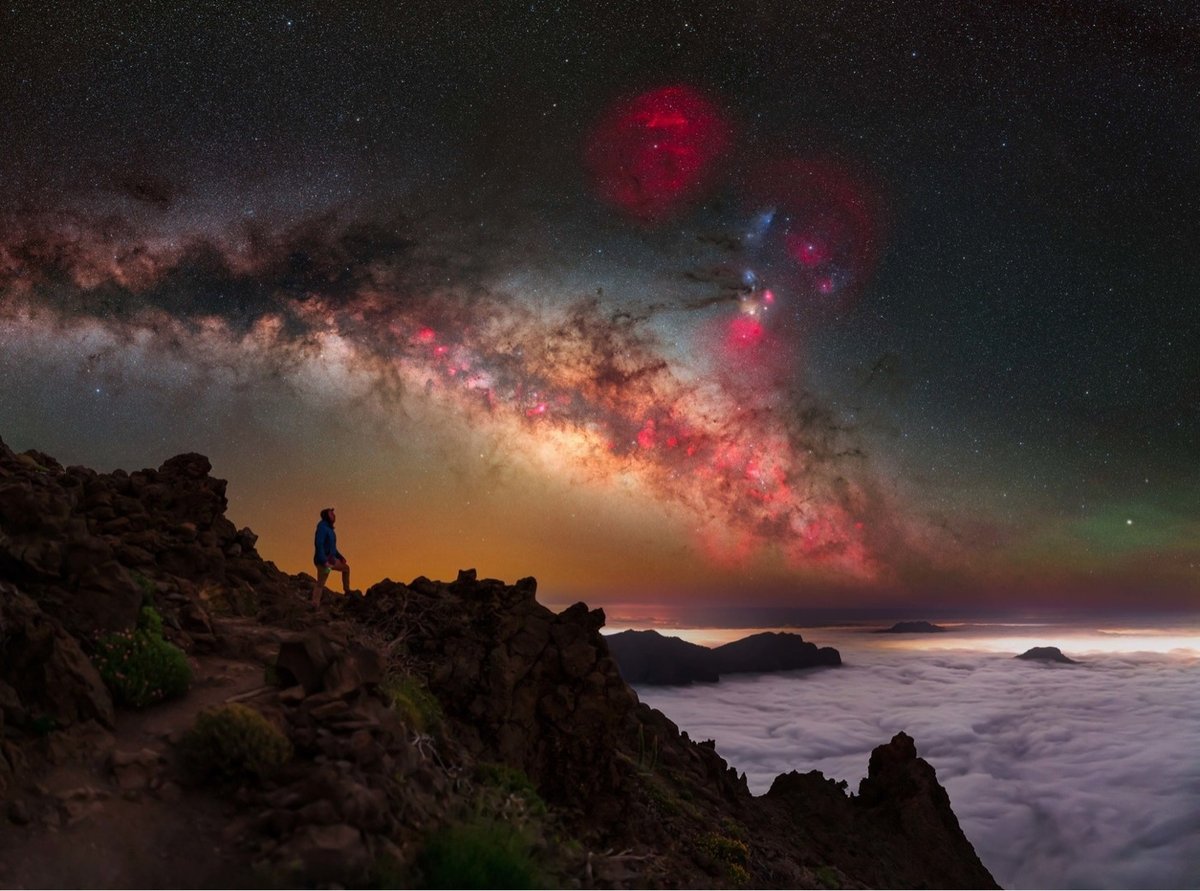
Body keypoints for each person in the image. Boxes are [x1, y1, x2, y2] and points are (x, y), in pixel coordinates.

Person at [311, 507, 353, 607]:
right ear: (326, 516)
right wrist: (324, 561)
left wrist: (340, 557)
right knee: (322, 582)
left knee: (344, 569)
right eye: (331, 514)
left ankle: (346, 591)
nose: (334, 515)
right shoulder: (322, 528)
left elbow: (332, 548)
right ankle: (315, 604)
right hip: (325, 561)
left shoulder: (329, 529)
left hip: (329, 561)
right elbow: (319, 544)